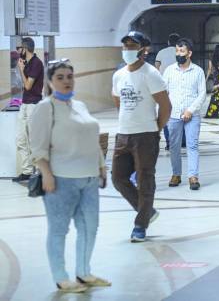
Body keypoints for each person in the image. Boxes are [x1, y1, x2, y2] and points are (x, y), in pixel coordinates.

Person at [30, 60, 110, 293]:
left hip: (89, 179)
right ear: (50, 82)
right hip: (60, 179)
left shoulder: (81, 106)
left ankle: (84, 273)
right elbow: (38, 146)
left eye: (70, 76)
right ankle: (61, 277)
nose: (66, 81)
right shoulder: (46, 108)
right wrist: (47, 174)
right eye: (60, 77)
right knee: (58, 229)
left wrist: (101, 167)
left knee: (89, 227)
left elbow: (92, 141)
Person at [111, 31, 171, 242]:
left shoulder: (151, 74)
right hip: (123, 135)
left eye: (133, 46)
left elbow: (165, 106)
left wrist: (156, 129)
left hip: (145, 135)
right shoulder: (118, 75)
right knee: (118, 178)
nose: (128, 50)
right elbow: (118, 102)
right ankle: (146, 211)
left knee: (145, 180)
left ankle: (140, 225)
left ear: (143, 50)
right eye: (125, 46)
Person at [163, 39, 207, 190]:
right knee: (174, 146)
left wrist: (190, 110)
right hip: (173, 115)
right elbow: (163, 92)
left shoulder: (198, 71)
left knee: (192, 145)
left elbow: (202, 94)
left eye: (182, 51)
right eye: (177, 51)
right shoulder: (169, 70)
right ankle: (176, 174)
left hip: (192, 115)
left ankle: (193, 176)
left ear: (189, 53)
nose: (179, 54)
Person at [12, 36, 44, 183]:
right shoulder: (28, 63)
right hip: (24, 104)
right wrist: (23, 68)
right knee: (20, 139)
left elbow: (28, 86)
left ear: (25, 48)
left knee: (33, 140)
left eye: (20, 49)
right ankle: (26, 170)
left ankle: (39, 171)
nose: (19, 51)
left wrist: (21, 70)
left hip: (34, 106)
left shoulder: (36, 64)